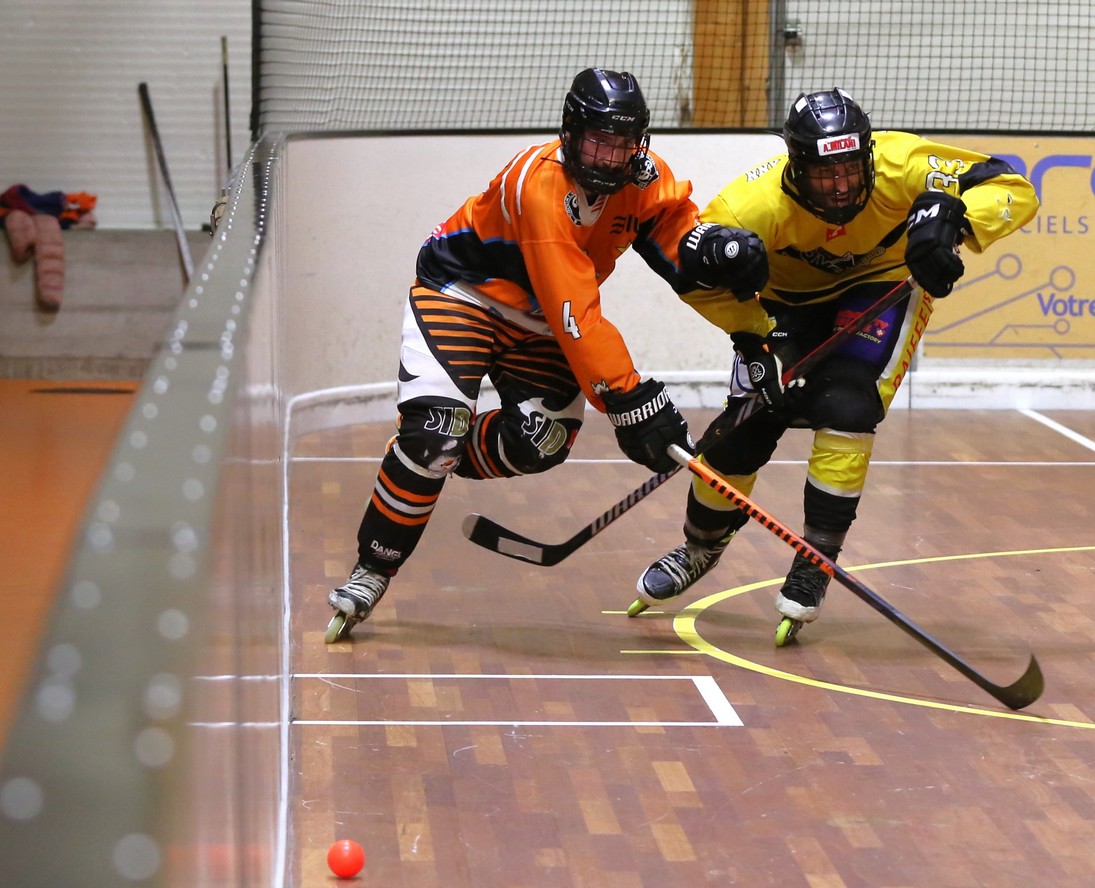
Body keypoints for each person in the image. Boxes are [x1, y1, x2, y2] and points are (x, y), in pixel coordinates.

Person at [324, 68, 768, 642]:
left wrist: (712, 249)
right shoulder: (539, 186)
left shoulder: (643, 176)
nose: (610, 157)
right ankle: (373, 566)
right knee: (436, 432)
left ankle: (423, 458)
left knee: (541, 443)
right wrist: (631, 398)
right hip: (463, 294)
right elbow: (573, 309)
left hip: (539, 324)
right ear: (570, 133)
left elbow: (672, 231)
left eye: (623, 143)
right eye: (598, 141)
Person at [629, 87, 1039, 644]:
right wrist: (754, 338)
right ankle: (700, 545)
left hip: (880, 290)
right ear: (796, 168)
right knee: (742, 431)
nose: (841, 186)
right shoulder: (749, 205)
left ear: (868, 155)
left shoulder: (903, 162)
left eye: (850, 168)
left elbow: (1014, 188)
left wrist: (957, 218)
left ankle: (816, 559)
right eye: (825, 174)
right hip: (783, 306)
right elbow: (693, 279)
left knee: (848, 405)